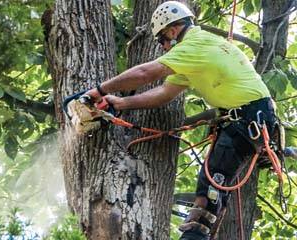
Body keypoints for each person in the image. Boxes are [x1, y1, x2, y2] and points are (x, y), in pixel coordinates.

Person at [85, 1, 276, 239]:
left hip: (248, 118)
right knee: (213, 187)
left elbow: (145, 73)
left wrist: (99, 89)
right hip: (250, 118)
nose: (163, 47)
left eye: (162, 40)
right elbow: (165, 92)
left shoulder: (194, 44)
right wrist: (123, 103)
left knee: (208, 192)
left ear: (174, 30)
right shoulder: (198, 51)